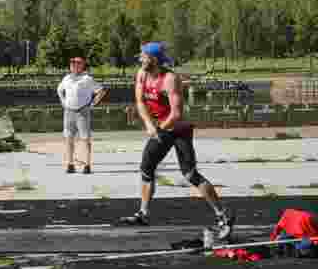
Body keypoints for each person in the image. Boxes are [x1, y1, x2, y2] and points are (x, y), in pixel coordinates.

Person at [119, 42, 234, 240]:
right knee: (146, 168)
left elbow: (176, 114)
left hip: (178, 129)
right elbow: (140, 101)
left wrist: (159, 129)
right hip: (160, 128)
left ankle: (223, 214)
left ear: (154, 59)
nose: (140, 59)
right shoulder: (142, 74)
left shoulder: (170, 79)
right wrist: (149, 125)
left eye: (143, 56)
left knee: (190, 174)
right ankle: (143, 214)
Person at [56, 55, 108, 174]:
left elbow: (101, 91)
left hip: (82, 111)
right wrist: (63, 101)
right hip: (69, 111)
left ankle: (87, 165)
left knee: (85, 138)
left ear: (82, 65)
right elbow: (59, 90)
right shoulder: (67, 78)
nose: (74, 65)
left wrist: (92, 104)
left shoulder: (87, 79)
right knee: (69, 138)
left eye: (77, 63)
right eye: (72, 63)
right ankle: (70, 164)